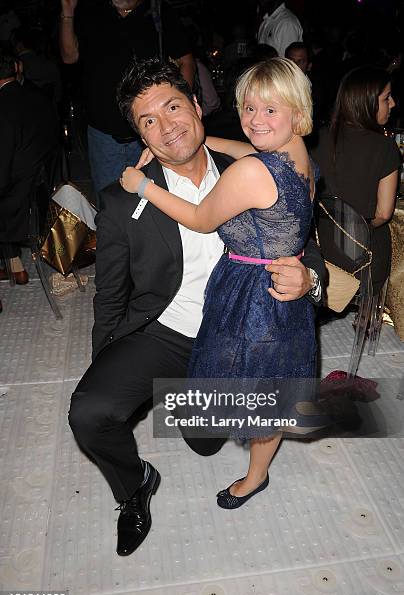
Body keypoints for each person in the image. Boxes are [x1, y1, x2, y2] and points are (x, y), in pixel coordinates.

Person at [69, 57, 325, 557]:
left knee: (206, 439)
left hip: (237, 335)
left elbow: (304, 239)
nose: (165, 126)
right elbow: (111, 293)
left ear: (197, 107)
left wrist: (310, 278)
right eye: (148, 121)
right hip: (166, 332)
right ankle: (135, 486)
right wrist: (106, 360)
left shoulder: (257, 160)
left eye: (173, 107)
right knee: (91, 412)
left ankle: (189, 404)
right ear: (140, 137)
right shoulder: (120, 200)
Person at [59, 0, 195, 195]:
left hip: (154, 130)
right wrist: (68, 12)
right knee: (110, 203)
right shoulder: (91, 10)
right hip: (103, 135)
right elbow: (69, 56)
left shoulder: (156, 9)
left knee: (159, 198)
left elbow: (185, 61)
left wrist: (182, 107)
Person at [310, 66, 401, 295]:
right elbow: (383, 214)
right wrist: (352, 229)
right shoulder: (385, 147)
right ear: (366, 102)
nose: (393, 104)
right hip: (362, 260)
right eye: (386, 98)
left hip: (318, 249)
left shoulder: (316, 138)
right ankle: (369, 310)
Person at [0, 47, 58, 285]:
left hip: (17, 206)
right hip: (40, 193)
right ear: (17, 68)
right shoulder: (38, 98)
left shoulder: (3, 107)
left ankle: (12, 264)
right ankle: (14, 265)